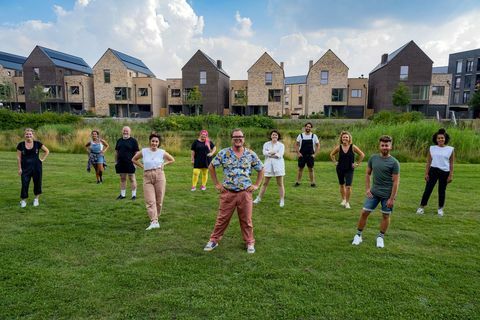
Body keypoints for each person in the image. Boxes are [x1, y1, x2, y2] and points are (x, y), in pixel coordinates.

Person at [203, 128, 264, 254]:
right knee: (222, 218)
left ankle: (249, 242)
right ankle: (214, 240)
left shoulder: (250, 154)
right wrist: (217, 184)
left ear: (244, 139)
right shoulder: (224, 153)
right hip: (228, 193)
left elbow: (261, 169)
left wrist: (257, 185)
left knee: (246, 220)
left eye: (240, 137)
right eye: (235, 137)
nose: (238, 139)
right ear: (232, 139)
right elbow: (211, 166)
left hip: (245, 192)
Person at [351, 135, 400, 248]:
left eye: (386, 145)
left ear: (390, 146)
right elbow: (368, 174)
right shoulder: (373, 158)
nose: (384, 147)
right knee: (364, 213)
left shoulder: (394, 162)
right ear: (379, 146)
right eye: (382, 145)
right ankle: (358, 235)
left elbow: (396, 182)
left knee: (385, 216)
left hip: (387, 196)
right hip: (374, 193)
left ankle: (380, 237)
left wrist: (392, 198)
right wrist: (368, 189)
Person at [132, 132, 175, 230]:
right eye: (153, 141)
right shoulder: (144, 151)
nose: (154, 143)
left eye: (156, 141)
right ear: (150, 142)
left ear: (158, 143)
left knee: (159, 201)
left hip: (159, 175)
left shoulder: (162, 152)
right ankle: (154, 221)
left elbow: (172, 159)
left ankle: (156, 217)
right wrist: (142, 166)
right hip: (147, 176)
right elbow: (134, 159)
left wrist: (164, 164)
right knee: (150, 200)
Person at [416, 128, 454, 216]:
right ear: (436, 139)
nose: (441, 139)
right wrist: (426, 173)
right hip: (433, 171)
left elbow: (451, 163)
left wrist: (450, 175)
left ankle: (440, 209)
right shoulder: (432, 148)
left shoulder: (450, 149)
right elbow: (428, 162)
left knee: (442, 191)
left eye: (442, 138)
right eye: (439, 138)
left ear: (445, 139)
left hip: (445, 172)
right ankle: (421, 207)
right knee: (428, 190)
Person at [330, 131, 365, 209]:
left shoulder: (353, 147)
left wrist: (357, 163)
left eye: (346, 137)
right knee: (342, 185)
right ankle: (343, 199)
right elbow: (331, 154)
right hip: (340, 169)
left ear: (349, 139)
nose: (345, 138)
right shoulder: (339, 147)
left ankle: (347, 202)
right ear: (341, 139)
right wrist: (335, 162)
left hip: (349, 169)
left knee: (348, 186)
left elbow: (362, 154)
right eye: (343, 137)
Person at [16, 128, 49, 207]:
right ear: (24, 135)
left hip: (36, 167)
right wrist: (20, 168)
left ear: (33, 135)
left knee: (37, 183)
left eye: (30, 134)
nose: (28, 135)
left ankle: (36, 199)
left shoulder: (37, 143)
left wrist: (41, 159)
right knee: (24, 183)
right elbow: (18, 157)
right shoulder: (20, 145)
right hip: (25, 168)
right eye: (27, 134)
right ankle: (23, 201)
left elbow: (47, 151)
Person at [253, 130, 285, 207]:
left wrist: (270, 153)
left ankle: (282, 200)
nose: (274, 136)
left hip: (278, 165)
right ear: (271, 136)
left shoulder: (281, 145)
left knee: (280, 183)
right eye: (273, 135)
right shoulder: (266, 144)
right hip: (268, 166)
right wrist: (274, 152)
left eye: (276, 135)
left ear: (278, 136)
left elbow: (279, 155)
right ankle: (259, 198)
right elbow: (264, 153)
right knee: (264, 183)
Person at [115, 126, 140, 200]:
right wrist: (116, 162)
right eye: (124, 131)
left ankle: (133, 195)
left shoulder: (133, 141)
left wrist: (135, 163)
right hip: (120, 163)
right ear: (122, 131)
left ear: (130, 132)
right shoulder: (119, 140)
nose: (125, 132)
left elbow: (137, 153)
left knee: (132, 178)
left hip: (130, 163)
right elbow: (116, 152)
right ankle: (122, 195)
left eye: (127, 131)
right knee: (122, 178)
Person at [294, 122, 320, 187]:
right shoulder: (300, 135)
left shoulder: (314, 136)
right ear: (305, 127)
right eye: (307, 126)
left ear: (311, 128)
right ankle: (298, 182)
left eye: (309, 127)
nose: (308, 128)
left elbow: (318, 145)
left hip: (310, 155)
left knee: (311, 169)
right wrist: (298, 153)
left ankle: (312, 183)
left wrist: (315, 154)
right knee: (300, 169)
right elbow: (296, 145)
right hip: (302, 155)